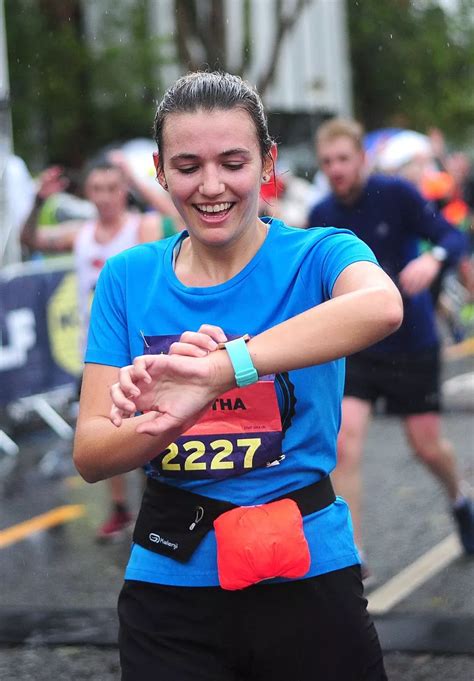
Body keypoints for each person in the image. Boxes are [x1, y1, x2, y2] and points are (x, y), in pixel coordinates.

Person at [72, 71, 403, 681]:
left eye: (233, 161)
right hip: (171, 581)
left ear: (268, 161)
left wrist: (220, 371)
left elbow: (382, 307)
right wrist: (166, 420)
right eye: (189, 165)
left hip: (308, 571)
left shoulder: (319, 254)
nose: (212, 186)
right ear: (160, 170)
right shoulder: (127, 278)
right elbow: (91, 454)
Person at [307, 118, 474, 576]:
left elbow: (452, 236)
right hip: (356, 344)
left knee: (426, 446)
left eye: (344, 159)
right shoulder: (321, 215)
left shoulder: (395, 194)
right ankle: (352, 556)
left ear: (361, 158)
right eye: (327, 162)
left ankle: (459, 497)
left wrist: (431, 259)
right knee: (344, 440)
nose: (336, 169)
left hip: (410, 340)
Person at [20, 160, 163, 541]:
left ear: (123, 191)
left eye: (111, 188)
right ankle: (119, 509)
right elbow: (31, 239)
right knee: (107, 432)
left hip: (144, 349)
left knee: (147, 432)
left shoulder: (141, 227)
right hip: (101, 350)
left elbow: (174, 217)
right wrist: (36, 202)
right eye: (96, 189)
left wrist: (135, 175)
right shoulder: (81, 234)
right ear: (89, 194)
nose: (103, 197)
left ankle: (156, 507)